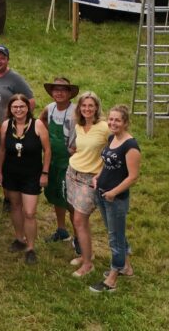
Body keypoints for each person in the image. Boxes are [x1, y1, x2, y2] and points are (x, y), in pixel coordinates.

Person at [89, 105, 140, 293]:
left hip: (115, 199)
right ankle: (126, 267)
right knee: (115, 232)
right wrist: (97, 177)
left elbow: (133, 177)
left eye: (117, 120)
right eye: (110, 119)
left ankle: (112, 279)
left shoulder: (131, 146)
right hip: (102, 193)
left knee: (114, 238)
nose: (112, 123)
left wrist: (114, 192)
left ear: (125, 122)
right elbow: (107, 163)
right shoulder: (112, 138)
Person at [0, 94, 50, 265]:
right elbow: (2, 150)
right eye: (15, 107)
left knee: (29, 212)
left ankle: (31, 247)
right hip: (11, 173)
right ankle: (19, 239)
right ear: (10, 109)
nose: (18, 110)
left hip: (31, 175)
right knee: (15, 206)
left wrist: (45, 173)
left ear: (28, 108)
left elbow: (47, 151)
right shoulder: (6, 125)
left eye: (22, 107)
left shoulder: (38, 125)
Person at [67, 91, 110, 276]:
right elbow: (75, 148)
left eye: (90, 106)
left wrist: (102, 173)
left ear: (96, 107)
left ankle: (87, 264)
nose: (87, 109)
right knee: (78, 220)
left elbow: (117, 151)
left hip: (90, 179)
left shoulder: (105, 127)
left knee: (79, 220)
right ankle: (87, 254)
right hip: (72, 174)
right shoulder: (78, 125)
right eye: (84, 106)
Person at [40, 77, 78, 244]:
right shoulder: (50, 108)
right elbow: (40, 120)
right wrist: (45, 136)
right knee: (56, 195)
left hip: (70, 161)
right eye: (56, 89)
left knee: (70, 201)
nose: (59, 92)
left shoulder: (76, 111)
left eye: (63, 89)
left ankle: (78, 238)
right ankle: (62, 230)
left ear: (69, 93)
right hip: (52, 159)